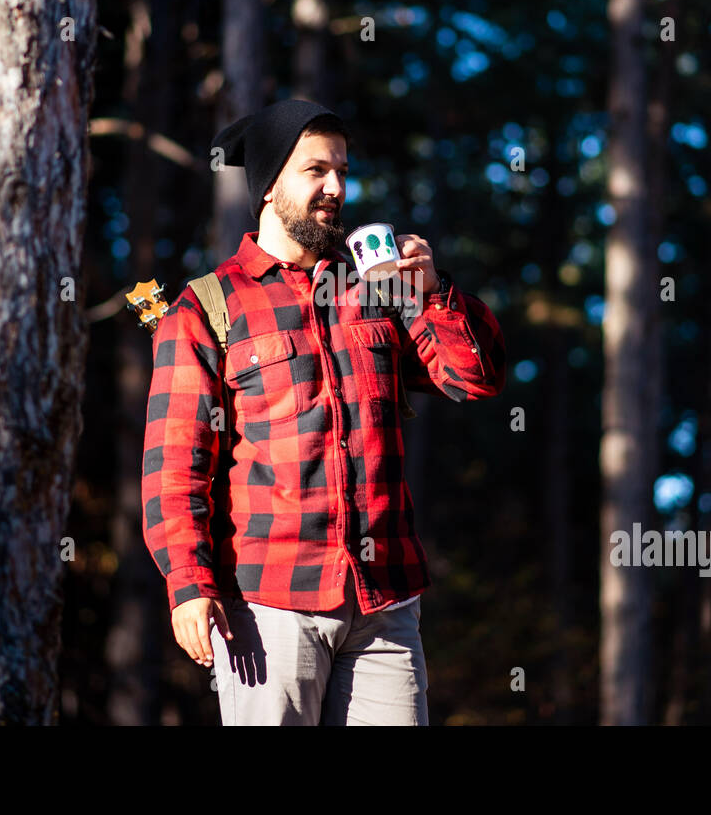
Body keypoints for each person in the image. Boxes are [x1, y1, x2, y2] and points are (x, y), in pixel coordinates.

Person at [141, 98, 507, 724]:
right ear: (269, 185)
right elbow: (175, 470)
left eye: (341, 170)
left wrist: (434, 290)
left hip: (385, 603)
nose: (336, 187)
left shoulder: (379, 286)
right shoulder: (205, 309)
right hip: (268, 607)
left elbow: (474, 381)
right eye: (316, 170)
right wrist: (189, 586)